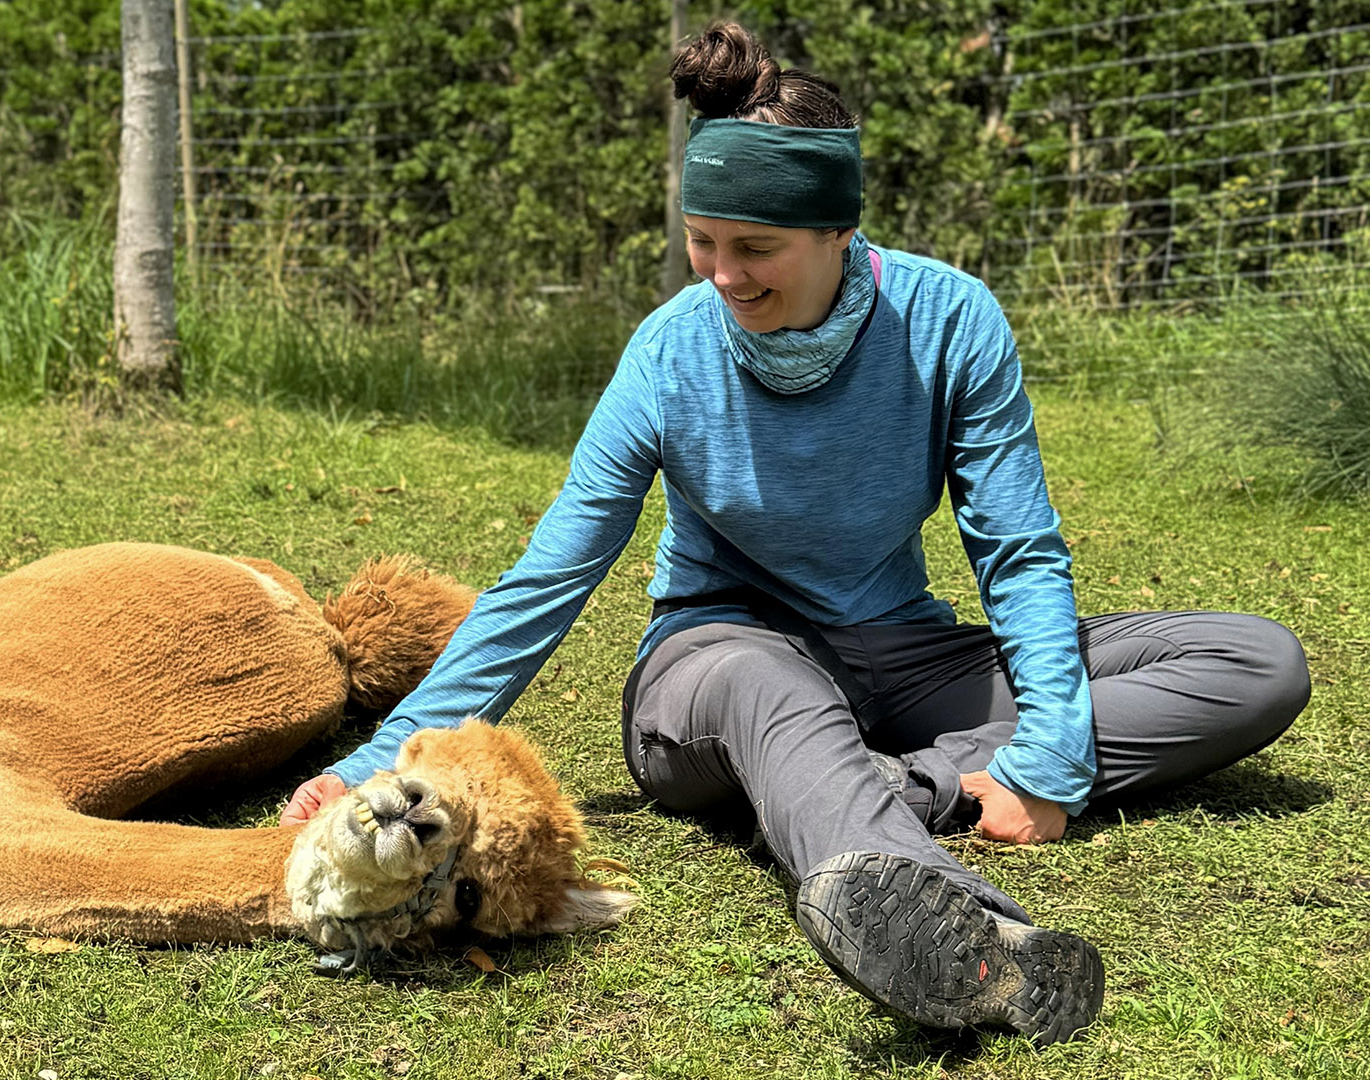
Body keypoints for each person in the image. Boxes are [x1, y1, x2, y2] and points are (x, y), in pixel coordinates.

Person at [281, 22, 1310, 1046]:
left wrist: (1047, 757)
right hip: (717, 667)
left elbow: (1017, 549)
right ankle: (975, 939)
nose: (721, 275)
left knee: (1253, 663)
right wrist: (378, 760)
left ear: (836, 231)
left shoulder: (951, 321)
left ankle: (900, 784)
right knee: (772, 689)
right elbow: (549, 575)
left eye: (756, 248)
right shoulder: (669, 352)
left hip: (903, 656)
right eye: (703, 240)